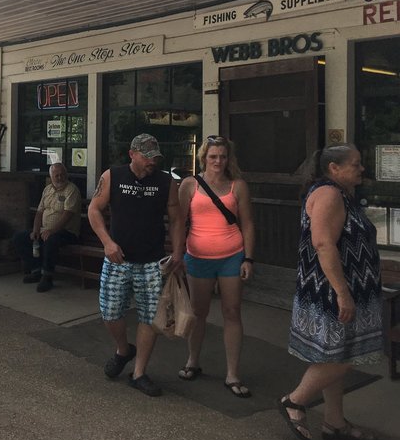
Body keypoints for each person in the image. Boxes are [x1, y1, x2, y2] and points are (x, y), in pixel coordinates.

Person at [278, 144, 382, 440]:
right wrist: (343, 293)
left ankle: (334, 424)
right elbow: (323, 244)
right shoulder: (329, 194)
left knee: (333, 355)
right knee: (345, 356)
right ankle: (294, 401)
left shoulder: (337, 193)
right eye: (356, 164)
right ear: (334, 168)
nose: (361, 168)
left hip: (339, 289)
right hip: (332, 292)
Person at [88, 134, 184, 397]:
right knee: (109, 312)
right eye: (146, 157)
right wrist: (107, 242)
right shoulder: (113, 176)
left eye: (155, 158)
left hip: (152, 262)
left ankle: (139, 372)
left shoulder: (166, 182)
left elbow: (176, 219)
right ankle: (123, 350)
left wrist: (178, 251)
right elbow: (94, 209)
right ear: (132, 154)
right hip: (118, 259)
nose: (152, 162)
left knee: (150, 319)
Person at [174, 135, 255, 397]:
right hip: (197, 256)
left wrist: (248, 258)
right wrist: (176, 254)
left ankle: (232, 373)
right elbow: (178, 222)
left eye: (222, 156)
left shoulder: (238, 186)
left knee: (232, 312)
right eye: (213, 156)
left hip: (232, 254)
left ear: (228, 158)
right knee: (199, 312)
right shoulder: (189, 185)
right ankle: (192, 360)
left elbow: (248, 224)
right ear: (204, 158)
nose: (218, 161)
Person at [13, 162, 82, 293]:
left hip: (67, 232)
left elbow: (68, 214)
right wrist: (35, 230)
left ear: (66, 175)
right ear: (51, 177)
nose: (60, 178)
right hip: (46, 229)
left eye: (62, 175)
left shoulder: (71, 190)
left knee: (51, 240)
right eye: (57, 176)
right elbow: (39, 212)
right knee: (19, 238)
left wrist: (52, 230)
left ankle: (47, 276)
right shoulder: (47, 190)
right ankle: (36, 270)